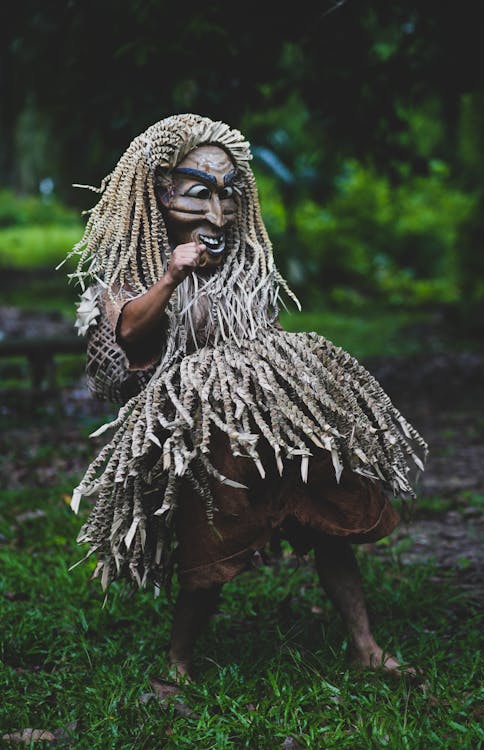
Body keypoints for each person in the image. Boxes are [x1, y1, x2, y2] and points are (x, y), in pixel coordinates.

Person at [66, 114, 427, 681]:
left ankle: (365, 647)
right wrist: (171, 276)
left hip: (273, 420)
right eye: (198, 195)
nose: (217, 214)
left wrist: (288, 375)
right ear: (160, 192)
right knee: (210, 541)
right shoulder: (132, 267)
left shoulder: (243, 263)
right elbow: (130, 334)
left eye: (228, 196)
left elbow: (263, 324)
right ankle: (178, 662)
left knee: (329, 521)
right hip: (205, 430)